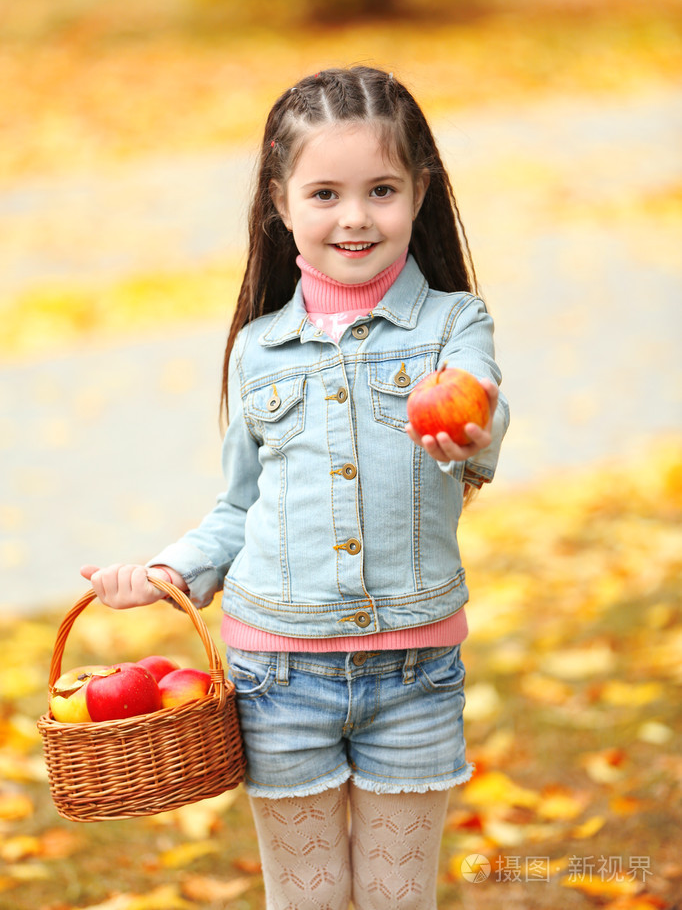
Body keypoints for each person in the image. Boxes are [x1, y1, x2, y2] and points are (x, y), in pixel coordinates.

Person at [81, 66, 509, 909]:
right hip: (279, 676)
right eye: (324, 193)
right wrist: (167, 571)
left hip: (416, 669)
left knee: (398, 897)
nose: (355, 216)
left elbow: (482, 405)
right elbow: (240, 505)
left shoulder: (455, 324)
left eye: (381, 189)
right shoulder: (259, 349)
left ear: (420, 193)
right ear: (280, 203)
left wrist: (474, 428)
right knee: (306, 898)